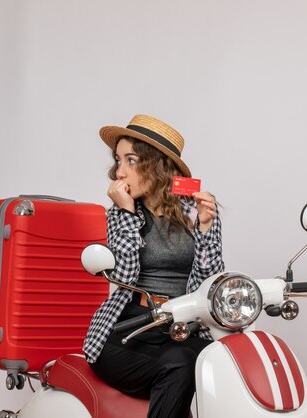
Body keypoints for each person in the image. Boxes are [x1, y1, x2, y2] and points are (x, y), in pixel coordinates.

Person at [82, 114, 224, 418]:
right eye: (118, 160)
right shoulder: (122, 214)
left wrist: (207, 227)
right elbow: (123, 275)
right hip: (128, 331)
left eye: (130, 160)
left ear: (156, 165)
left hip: (182, 330)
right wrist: (128, 213)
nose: (119, 172)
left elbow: (208, 283)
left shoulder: (193, 211)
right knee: (182, 364)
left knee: (220, 358)